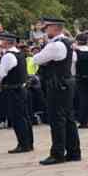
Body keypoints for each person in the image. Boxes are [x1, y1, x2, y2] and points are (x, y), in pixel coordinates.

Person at [32, 18, 79, 164]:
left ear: (55, 28)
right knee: (68, 118)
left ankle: (57, 153)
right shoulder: (67, 43)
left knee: (56, 119)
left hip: (57, 83)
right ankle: (73, 151)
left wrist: (45, 58)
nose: (45, 30)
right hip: (66, 81)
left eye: (47, 28)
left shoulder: (55, 45)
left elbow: (36, 59)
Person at [0, 34, 34, 153]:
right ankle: (28, 143)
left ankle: (23, 144)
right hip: (21, 88)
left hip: (13, 89)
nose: (0, 42)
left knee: (18, 118)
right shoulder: (20, 53)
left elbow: (1, 73)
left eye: (2, 40)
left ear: (7, 42)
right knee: (25, 116)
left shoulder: (8, 56)